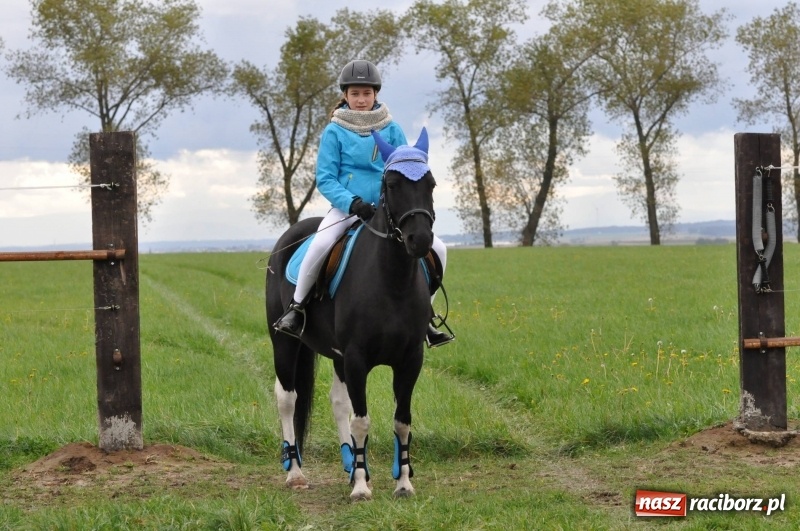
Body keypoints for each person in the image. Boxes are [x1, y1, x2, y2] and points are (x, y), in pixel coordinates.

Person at [273, 59, 454, 347]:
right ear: (345, 95)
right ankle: (296, 309)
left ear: (375, 95)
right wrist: (352, 202)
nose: (361, 100)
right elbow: (326, 178)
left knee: (439, 249)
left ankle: (425, 316)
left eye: (366, 94)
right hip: (348, 211)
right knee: (320, 244)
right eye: (355, 94)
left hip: (388, 213)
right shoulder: (334, 131)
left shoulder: (392, 129)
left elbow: (404, 171)